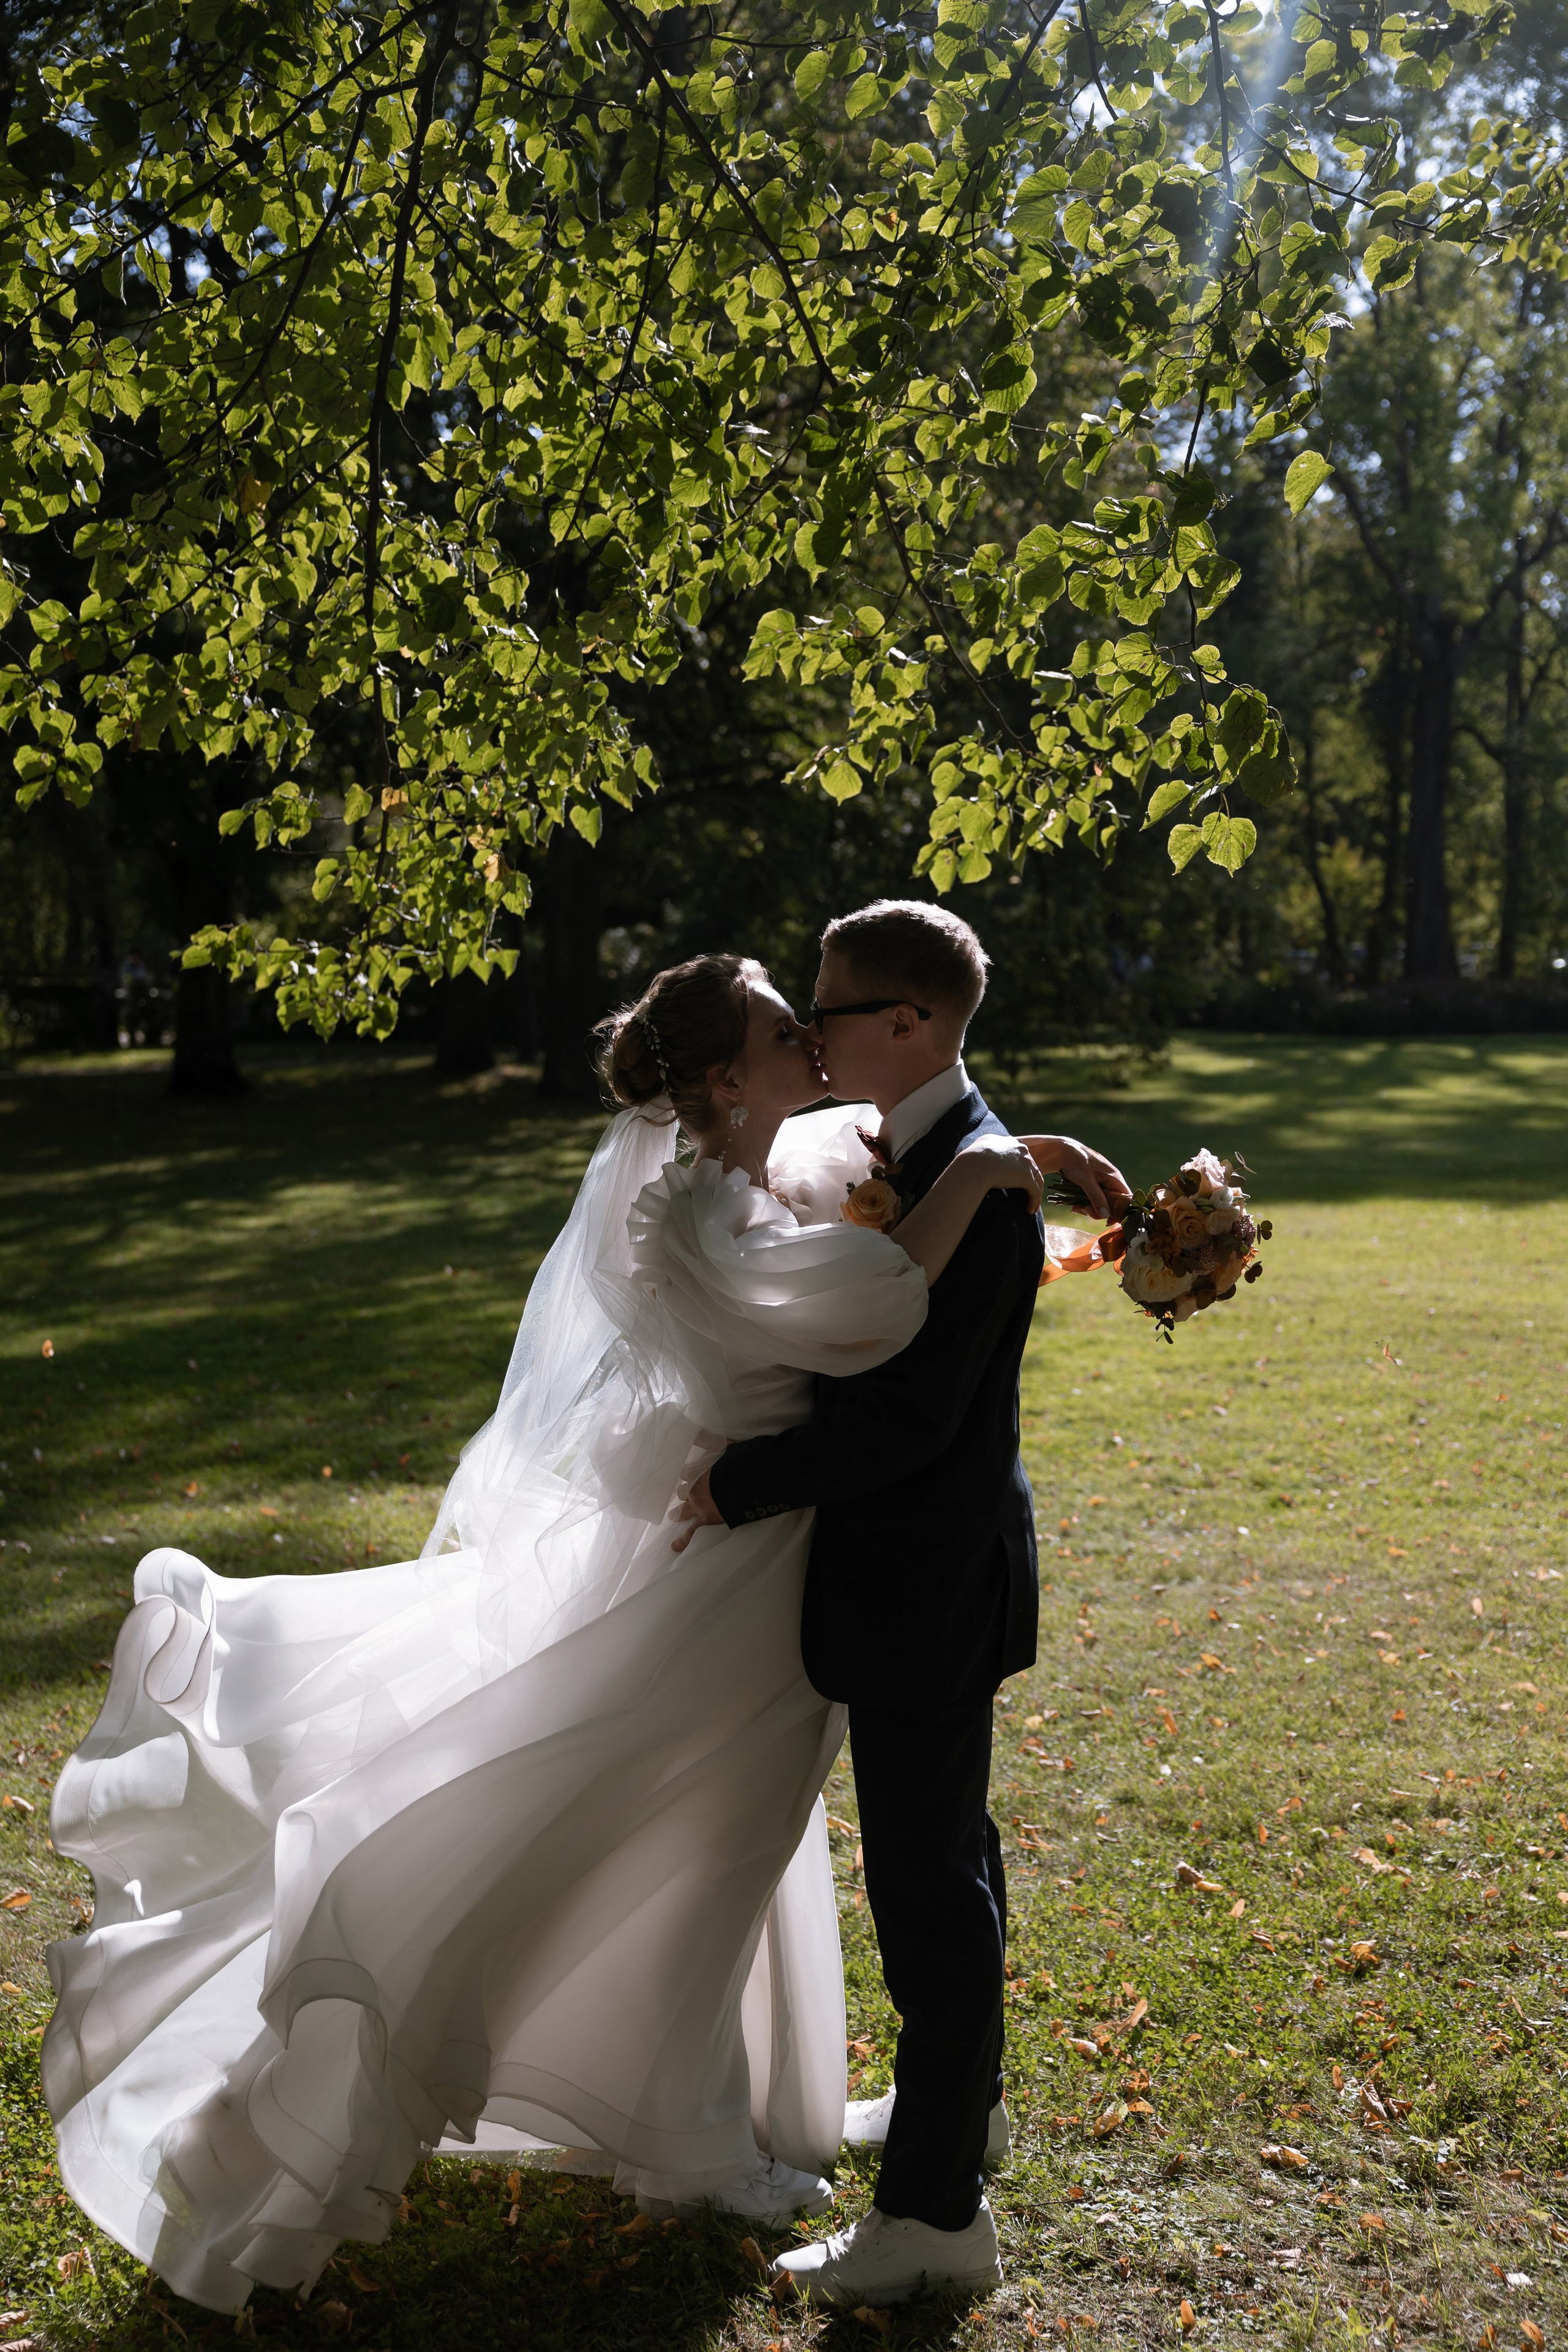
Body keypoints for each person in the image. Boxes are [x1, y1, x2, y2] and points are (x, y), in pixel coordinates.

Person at [41, 949, 1055, 2315]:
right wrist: (983, 1177)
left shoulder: (781, 1162)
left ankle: (761, 2108)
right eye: (785, 1027)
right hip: (732, 1571)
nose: (811, 1042)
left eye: (813, 1016)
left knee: (732, 1848)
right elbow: (881, 1298)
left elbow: (881, 1178)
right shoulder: (704, 1215)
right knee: (643, 1838)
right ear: (723, 1078)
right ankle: (306, 2113)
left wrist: (1009, 1158)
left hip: (777, 1565)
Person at [676, 901, 1130, 2305]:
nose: (811, 1034)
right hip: (933, 1573)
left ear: (906, 1023)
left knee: (928, 1893)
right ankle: (961, 2110)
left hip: (924, 1580)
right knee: (951, 1862)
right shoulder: (934, 1148)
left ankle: (933, 2219)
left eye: (827, 1008)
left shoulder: (973, 1184)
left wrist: (736, 1485)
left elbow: (906, 1423)